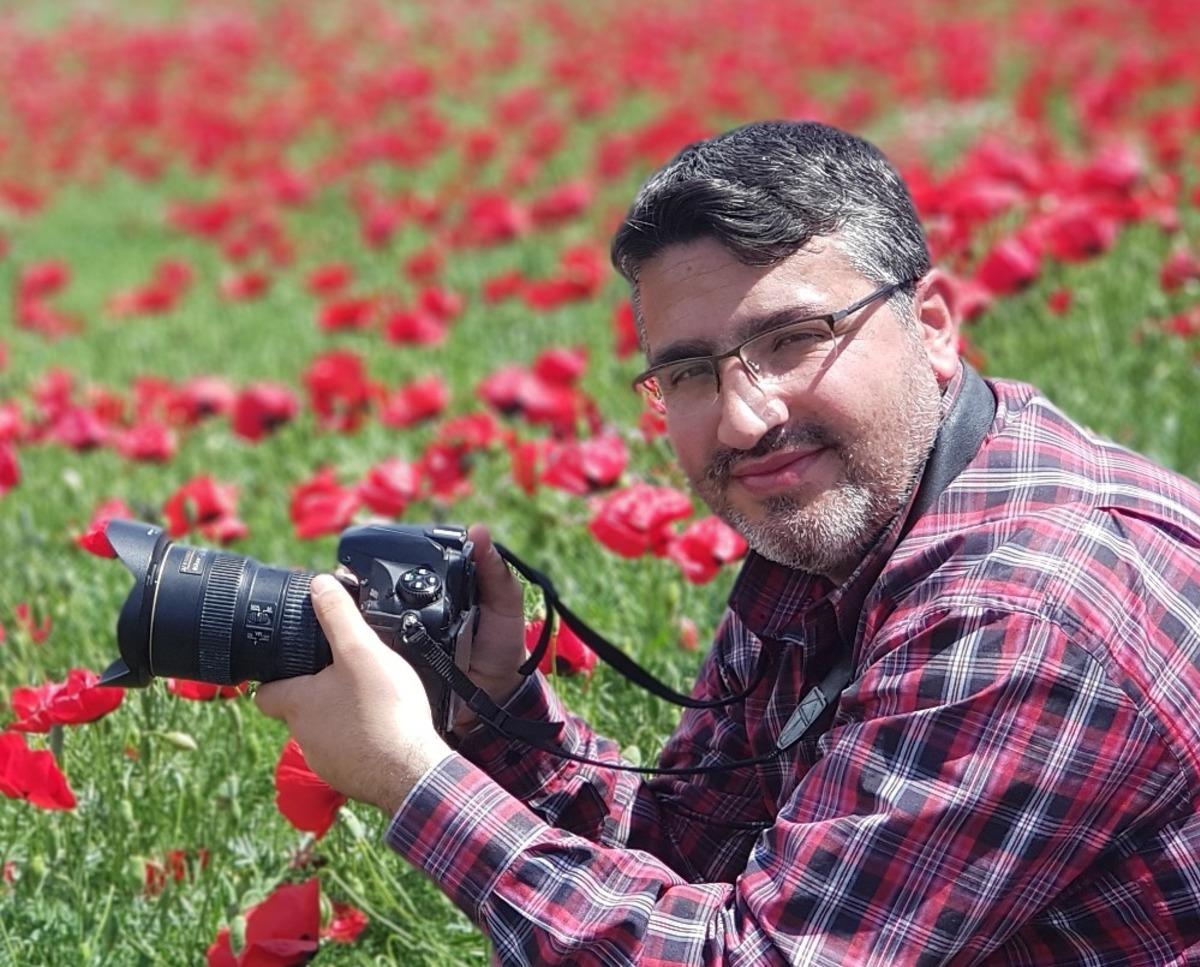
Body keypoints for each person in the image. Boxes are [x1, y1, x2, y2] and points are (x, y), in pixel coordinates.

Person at [256, 120, 1200, 965]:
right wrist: (495, 711)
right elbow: (689, 856)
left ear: (934, 326)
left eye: (793, 339)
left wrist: (413, 779)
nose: (746, 419)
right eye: (692, 372)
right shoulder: (847, 526)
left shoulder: (1023, 612)